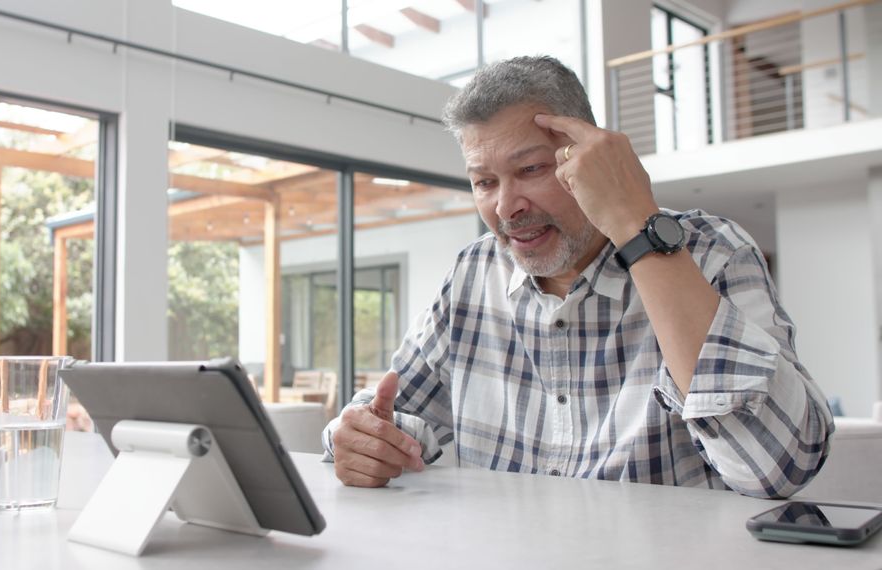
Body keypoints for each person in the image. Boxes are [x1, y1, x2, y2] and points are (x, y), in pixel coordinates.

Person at [321, 55, 833, 499]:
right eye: (484, 182)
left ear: (590, 154)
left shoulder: (711, 253)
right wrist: (363, 439)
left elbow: (780, 468)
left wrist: (638, 227)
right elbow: (394, 414)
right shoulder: (474, 272)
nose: (506, 207)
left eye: (531, 170)